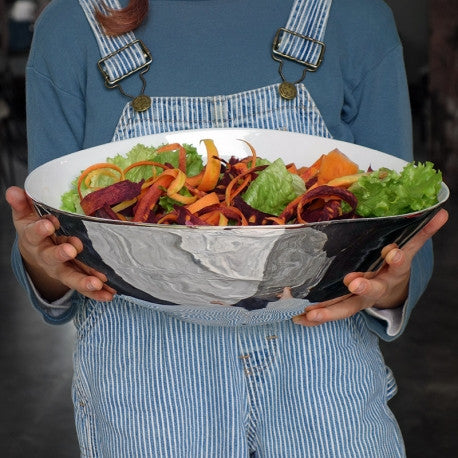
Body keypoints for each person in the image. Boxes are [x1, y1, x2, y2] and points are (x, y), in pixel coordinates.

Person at [5, 0, 449, 456]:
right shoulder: (73, 23)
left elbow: (403, 223)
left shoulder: (354, 16)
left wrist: (391, 283)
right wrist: (44, 260)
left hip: (323, 370)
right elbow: (53, 250)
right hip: (146, 387)